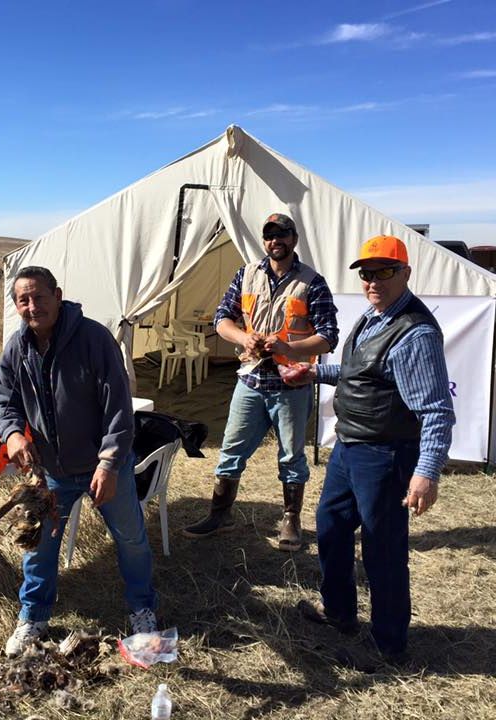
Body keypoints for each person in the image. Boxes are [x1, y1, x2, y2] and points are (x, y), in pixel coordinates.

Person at [296, 235, 455, 665]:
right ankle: (340, 613)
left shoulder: (414, 333)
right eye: (366, 273)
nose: (373, 281)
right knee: (330, 528)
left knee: (382, 549)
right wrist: (311, 373)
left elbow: (437, 411)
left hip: (384, 455)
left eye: (385, 271)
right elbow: (357, 371)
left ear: (405, 272)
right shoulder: (374, 316)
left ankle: (389, 645)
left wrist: (427, 472)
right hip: (350, 447)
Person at [0, 266, 157, 656]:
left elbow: (119, 407)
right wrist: (13, 433)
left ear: (58, 295)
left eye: (39, 297)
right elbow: (3, 402)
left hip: (101, 465)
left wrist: (110, 463)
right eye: (23, 300)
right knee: (39, 546)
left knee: (131, 539)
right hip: (51, 472)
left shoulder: (94, 339)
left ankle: (142, 607)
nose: (32, 307)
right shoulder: (18, 348)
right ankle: (33, 615)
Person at [183, 213, 339, 551]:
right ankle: (220, 515)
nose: (275, 241)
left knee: (291, 458)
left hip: (291, 385)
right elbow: (221, 318)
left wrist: (289, 348)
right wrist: (243, 337)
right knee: (230, 451)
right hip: (251, 381)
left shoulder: (312, 282)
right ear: (264, 240)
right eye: (269, 235)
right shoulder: (247, 274)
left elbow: (329, 337)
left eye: (282, 234)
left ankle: (291, 520)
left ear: (294, 239)